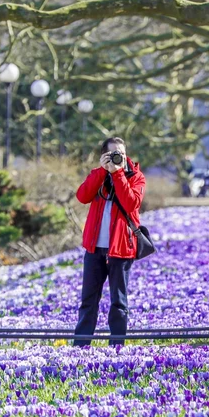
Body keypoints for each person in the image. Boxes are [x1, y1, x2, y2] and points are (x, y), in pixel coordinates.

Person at [73, 136, 146, 347]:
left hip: (121, 250)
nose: (118, 158)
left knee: (119, 302)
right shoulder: (98, 175)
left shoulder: (136, 177)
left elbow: (132, 203)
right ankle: (80, 347)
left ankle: (117, 348)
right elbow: (82, 196)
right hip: (95, 249)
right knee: (88, 301)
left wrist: (118, 174)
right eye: (113, 153)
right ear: (103, 156)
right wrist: (103, 171)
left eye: (121, 154)